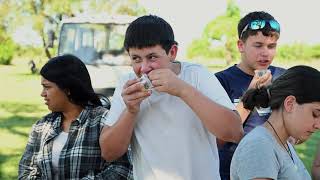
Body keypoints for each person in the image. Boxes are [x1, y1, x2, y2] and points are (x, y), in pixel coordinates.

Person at [99, 15, 244, 180]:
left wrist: (182, 90)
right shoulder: (127, 84)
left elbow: (234, 132)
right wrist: (131, 111)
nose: (144, 68)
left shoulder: (197, 75)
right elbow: (108, 153)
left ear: (172, 52)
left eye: (152, 57)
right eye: (136, 59)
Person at [19, 54, 132, 179]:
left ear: (68, 89)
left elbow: (121, 169)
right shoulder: (41, 127)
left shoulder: (103, 122)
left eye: (47, 87)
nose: (42, 94)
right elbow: (26, 171)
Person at [215, 11, 286, 180]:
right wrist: (250, 94)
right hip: (232, 171)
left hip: (277, 169)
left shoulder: (284, 78)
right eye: (258, 45)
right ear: (241, 45)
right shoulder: (221, 80)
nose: (266, 53)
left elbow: (295, 133)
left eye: (271, 46)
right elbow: (219, 139)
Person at [230, 65, 320, 180]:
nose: (318, 125)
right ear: (290, 104)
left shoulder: (282, 143)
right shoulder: (259, 146)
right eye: (315, 114)